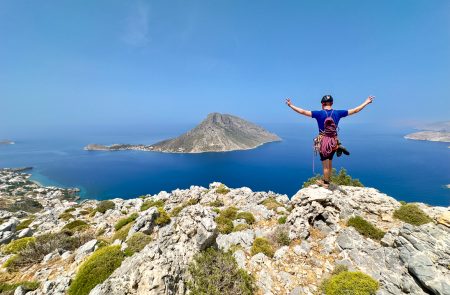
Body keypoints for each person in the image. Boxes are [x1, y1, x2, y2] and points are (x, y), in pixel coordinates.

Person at [285, 95, 374, 187]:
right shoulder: (338, 113)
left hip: (323, 142)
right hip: (333, 142)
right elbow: (355, 110)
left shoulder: (319, 114)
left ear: (322, 104)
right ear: (332, 103)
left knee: (325, 165)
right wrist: (366, 102)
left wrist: (291, 105)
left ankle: (326, 183)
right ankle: (327, 179)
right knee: (330, 162)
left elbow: (302, 112)